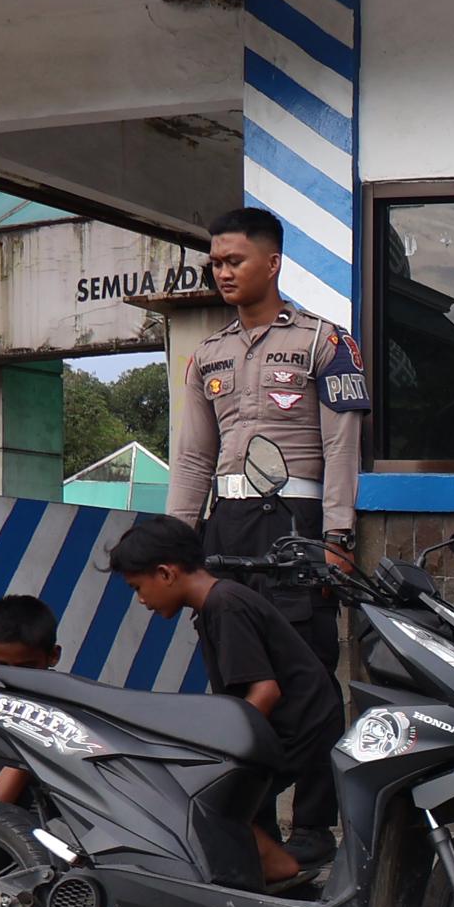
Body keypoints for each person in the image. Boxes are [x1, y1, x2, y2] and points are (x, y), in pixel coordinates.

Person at [162, 203, 367, 679]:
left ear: (273, 264)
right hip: (225, 525)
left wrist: (338, 537)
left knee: (300, 664)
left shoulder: (327, 342)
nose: (223, 273)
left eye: (235, 261)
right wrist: (173, 541)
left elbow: (342, 448)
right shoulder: (207, 354)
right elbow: (193, 459)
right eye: (216, 263)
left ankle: (305, 756)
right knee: (230, 659)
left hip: (296, 525)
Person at [107, 511, 343, 888]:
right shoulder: (217, 604)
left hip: (299, 726)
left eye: (138, 587)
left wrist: (224, 753)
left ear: (166, 573)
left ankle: (276, 867)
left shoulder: (225, 605)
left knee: (209, 796)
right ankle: (266, 877)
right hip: (287, 724)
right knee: (239, 800)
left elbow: (264, 691)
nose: (141, 600)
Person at [0, 595, 62, 807]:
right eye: (1, 665)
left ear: (53, 656)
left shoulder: (59, 706)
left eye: (26, 668)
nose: (12, 677)